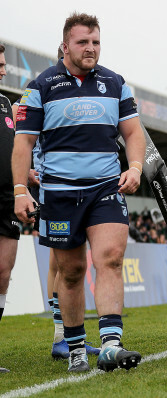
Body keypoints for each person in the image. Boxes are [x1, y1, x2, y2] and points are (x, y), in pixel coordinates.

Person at [12, 13, 145, 373]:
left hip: (105, 189)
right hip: (58, 195)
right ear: (66, 44)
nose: (91, 49)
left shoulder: (116, 84)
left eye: (96, 42)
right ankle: (74, 349)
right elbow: (23, 143)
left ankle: (111, 344)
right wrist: (21, 189)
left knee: (111, 258)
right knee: (70, 272)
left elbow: (133, 134)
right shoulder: (39, 87)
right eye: (83, 42)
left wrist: (134, 168)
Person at [0, 43, 24, 374]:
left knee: (3, 274)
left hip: (8, 200)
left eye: (4, 63)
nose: (3, 69)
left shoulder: (6, 103)